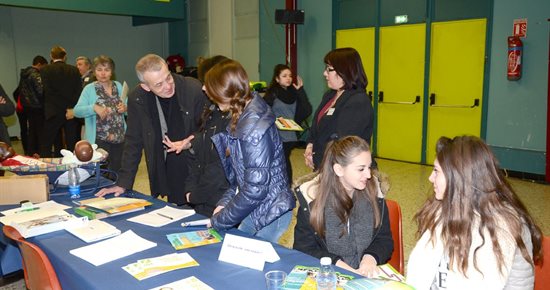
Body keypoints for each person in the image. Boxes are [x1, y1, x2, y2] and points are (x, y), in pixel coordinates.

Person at [406, 136, 543, 289]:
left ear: (459, 178)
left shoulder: (509, 226)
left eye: (436, 171)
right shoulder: (440, 210)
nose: (430, 178)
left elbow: (520, 286)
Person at [96, 54, 207, 205]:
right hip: (168, 165)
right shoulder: (138, 98)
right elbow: (133, 141)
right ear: (145, 86)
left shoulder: (192, 88)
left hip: (197, 164)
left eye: (168, 77)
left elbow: (209, 128)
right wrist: (123, 182)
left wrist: (192, 141)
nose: (168, 86)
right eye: (159, 84)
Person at [204, 59, 295, 243]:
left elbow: (255, 189)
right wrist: (224, 204)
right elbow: (241, 177)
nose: (206, 91)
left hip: (270, 211)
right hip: (256, 206)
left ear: (226, 92)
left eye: (211, 89)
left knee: (252, 261)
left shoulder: (253, 127)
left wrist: (220, 220)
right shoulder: (242, 113)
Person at [293, 135, 393, 277]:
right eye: (361, 169)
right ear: (339, 170)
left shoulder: (375, 194)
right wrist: (339, 265)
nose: (369, 175)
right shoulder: (311, 200)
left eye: (369, 167)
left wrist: (370, 258)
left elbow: (384, 239)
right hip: (330, 275)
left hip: (366, 275)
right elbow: (303, 248)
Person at [304, 47, 374, 170]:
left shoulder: (358, 101)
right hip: (325, 166)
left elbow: (343, 144)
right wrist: (310, 145)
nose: (324, 73)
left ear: (345, 72)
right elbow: (316, 127)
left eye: (329, 69)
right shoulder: (329, 95)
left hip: (345, 171)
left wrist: (316, 158)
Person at [183, 55, 230, 217]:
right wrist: (191, 189)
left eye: (206, 83)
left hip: (220, 200)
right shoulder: (212, 111)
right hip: (204, 197)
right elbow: (198, 158)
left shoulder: (234, 120)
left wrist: (196, 195)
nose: (202, 88)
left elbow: (220, 168)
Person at [74, 55, 126, 173]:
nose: (103, 73)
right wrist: (93, 108)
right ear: (94, 71)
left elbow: (126, 106)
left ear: (111, 72)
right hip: (99, 141)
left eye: (107, 70)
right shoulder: (89, 89)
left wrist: (125, 108)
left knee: (119, 173)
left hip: (120, 138)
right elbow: (77, 111)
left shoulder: (118, 85)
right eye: (99, 70)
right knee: (102, 174)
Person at [264, 64, 312, 182]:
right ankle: (283, 186)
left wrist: (301, 90)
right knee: (281, 160)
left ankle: (286, 186)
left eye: (290, 75)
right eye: (284, 76)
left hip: (290, 134)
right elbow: (263, 111)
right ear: (277, 79)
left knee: (283, 160)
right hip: (276, 133)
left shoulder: (294, 92)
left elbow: (306, 110)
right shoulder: (272, 93)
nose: (288, 78)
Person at [40, 46, 83, 157]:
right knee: (72, 142)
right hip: (70, 111)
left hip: (53, 110)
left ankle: (47, 167)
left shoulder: (45, 70)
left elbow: (47, 91)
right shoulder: (74, 70)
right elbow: (78, 91)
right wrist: (70, 107)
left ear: (51, 56)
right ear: (65, 56)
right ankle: (75, 167)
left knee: (47, 143)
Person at [17, 55, 48, 156]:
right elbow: (40, 91)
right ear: (39, 64)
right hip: (37, 106)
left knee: (31, 130)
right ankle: (41, 152)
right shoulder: (35, 74)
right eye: (43, 66)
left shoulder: (24, 74)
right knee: (40, 131)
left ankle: (30, 151)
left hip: (27, 107)